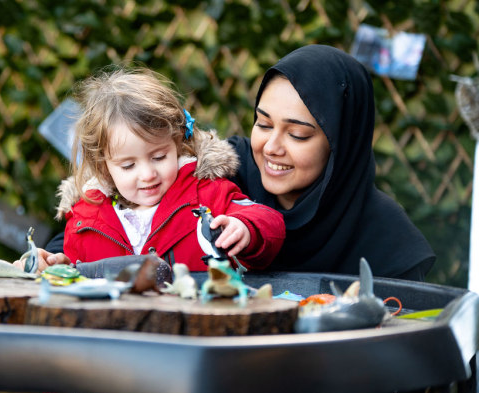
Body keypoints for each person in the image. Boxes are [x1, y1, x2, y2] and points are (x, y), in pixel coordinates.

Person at [37, 45, 434, 281]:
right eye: (263, 124)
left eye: (298, 134)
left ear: (340, 143)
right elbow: (104, 217)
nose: (272, 147)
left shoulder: (389, 244)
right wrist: (53, 255)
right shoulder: (228, 167)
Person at [40, 67, 285, 273]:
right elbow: (75, 277)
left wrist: (246, 228)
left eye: (159, 157)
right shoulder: (86, 218)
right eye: (128, 165)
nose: (147, 174)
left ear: (177, 143)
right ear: (104, 167)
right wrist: (61, 267)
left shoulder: (205, 192)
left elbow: (268, 221)